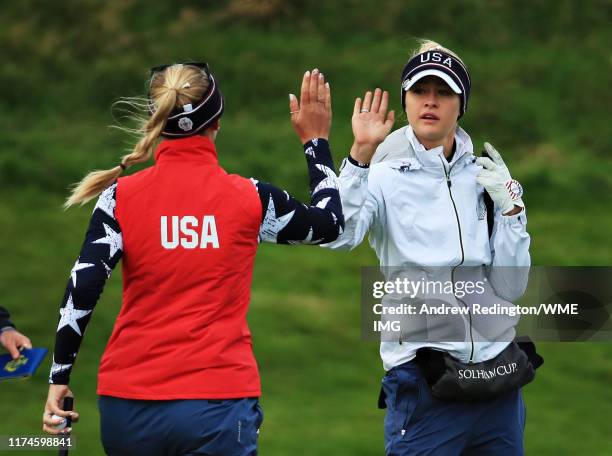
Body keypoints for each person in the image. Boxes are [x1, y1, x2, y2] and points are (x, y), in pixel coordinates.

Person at [41, 63, 343, 456]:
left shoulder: (119, 197)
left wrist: (58, 378)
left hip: (128, 406)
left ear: (158, 120)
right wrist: (315, 140)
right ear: (216, 120)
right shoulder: (251, 198)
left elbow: (83, 287)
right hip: (217, 406)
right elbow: (330, 223)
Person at [322, 40, 533, 455]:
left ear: (461, 104)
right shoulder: (382, 175)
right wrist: (360, 155)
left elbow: (513, 286)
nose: (430, 102)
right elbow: (339, 235)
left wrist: (512, 211)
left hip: (498, 382)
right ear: (406, 100)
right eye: (420, 91)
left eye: (444, 92)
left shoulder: (487, 177)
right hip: (425, 383)